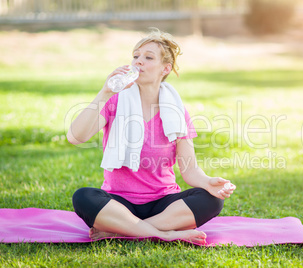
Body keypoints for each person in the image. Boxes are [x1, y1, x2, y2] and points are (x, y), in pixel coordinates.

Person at [67, 28, 236, 244]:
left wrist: (209, 182)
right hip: (120, 203)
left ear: (165, 68)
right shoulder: (115, 102)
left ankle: (124, 230)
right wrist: (104, 93)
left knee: (211, 200)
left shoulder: (176, 111)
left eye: (148, 57)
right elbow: (75, 137)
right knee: (83, 197)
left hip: (163, 203)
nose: (139, 62)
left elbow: (190, 169)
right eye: (136, 56)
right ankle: (164, 234)